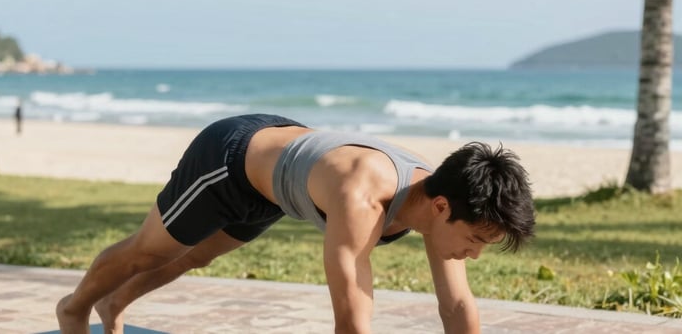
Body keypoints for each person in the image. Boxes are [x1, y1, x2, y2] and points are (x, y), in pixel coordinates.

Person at [57, 114, 535, 334]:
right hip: (230, 159)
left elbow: (456, 306)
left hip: (277, 190)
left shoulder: (440, 200)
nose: (474, 254)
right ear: (441, 208)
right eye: (475, 240)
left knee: (194, 257)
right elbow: (351, 319)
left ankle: (114, 303)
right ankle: (74, 310)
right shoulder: (363, 198)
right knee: (152, 250)